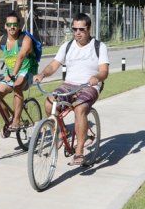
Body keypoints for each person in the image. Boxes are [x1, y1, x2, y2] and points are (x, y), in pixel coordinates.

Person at [33, 13, 109, 166]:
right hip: (68, 85)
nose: (77, 33)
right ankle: (62, 134)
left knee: (80, 108)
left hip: (89, 86)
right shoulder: (67, 46)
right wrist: (42, 74)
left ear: (89, 29)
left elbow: (104, 71)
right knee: (49, 103)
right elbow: (53, 65)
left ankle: (79, 152)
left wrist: (97, 77)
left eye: (81, 29)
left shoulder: (99, 46)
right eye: (74, 29)